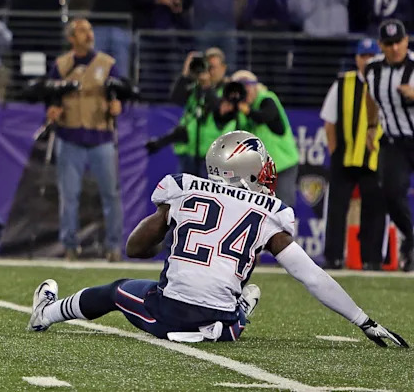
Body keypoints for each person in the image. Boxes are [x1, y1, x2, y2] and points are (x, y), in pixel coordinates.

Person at [27, 131, 409, 350]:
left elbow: (134, 249)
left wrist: (167, 219)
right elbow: (312, 277)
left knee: (115, 290)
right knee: (237, 294)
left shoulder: (183, 189)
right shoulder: (268, 211)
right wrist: (364, 320)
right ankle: (238, 308)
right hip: (221, 324)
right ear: (243, 170)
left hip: (169, 312)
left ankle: (47, 313)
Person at [46, 18, 123, 261]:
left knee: (110, 194)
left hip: (101, 136)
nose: (88, 34)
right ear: (71, 38)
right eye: (82, 31)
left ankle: (113, 247)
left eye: (89, 29)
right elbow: (50, 96)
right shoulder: (60, 65)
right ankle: (70, 246)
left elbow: (119, 92)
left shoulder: (107, 64)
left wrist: (117, 105)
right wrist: (51, 110)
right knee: (69, 196)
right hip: (69, 136)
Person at [320, 38, 385, 270]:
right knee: (337, 209)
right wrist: (335, 150)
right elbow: (329, 122)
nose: (367, 61)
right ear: (356, 59)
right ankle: (333, 257)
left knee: (374, 209)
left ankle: (372, 259)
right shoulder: (343, 83)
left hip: (374, 156)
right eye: (363, 56)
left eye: (371, 56)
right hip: (344, 157)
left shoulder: (384, 83)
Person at [364, 19, 414, 271]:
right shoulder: (372, 70)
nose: (395, 48)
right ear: (381, 45)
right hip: (394, 140)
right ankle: (411, 237)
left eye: (399, 42)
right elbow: (370, 95)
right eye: (389, 44)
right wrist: (372, 126)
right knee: (392, 194)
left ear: (407, 41)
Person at [224, 71, 300, 207]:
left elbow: (264, 117)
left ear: (255, 87)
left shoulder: (267, 99)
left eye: (246, 87)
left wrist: (245, 109)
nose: (244, 93)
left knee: (283, 207)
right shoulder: (241, 109)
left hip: (281, 165)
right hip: (259, 170)